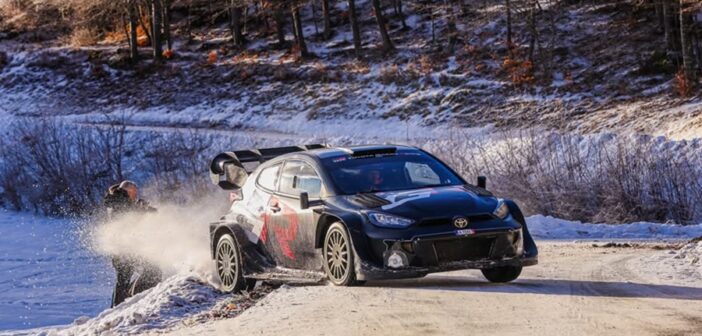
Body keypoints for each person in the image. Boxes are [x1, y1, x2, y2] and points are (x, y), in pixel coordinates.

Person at [104, 180, 160, 307]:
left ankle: (130, 298)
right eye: (133, 193)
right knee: (125, 278)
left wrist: (146, 209)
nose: (135, 195)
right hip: (122, 249)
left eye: (136, 193)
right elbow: (129, 214)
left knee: (150, 271)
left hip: (130, 248)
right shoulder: (118, 201)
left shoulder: (124, 201)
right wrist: (142, 209)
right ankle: (118, 306)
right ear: (126, 191)